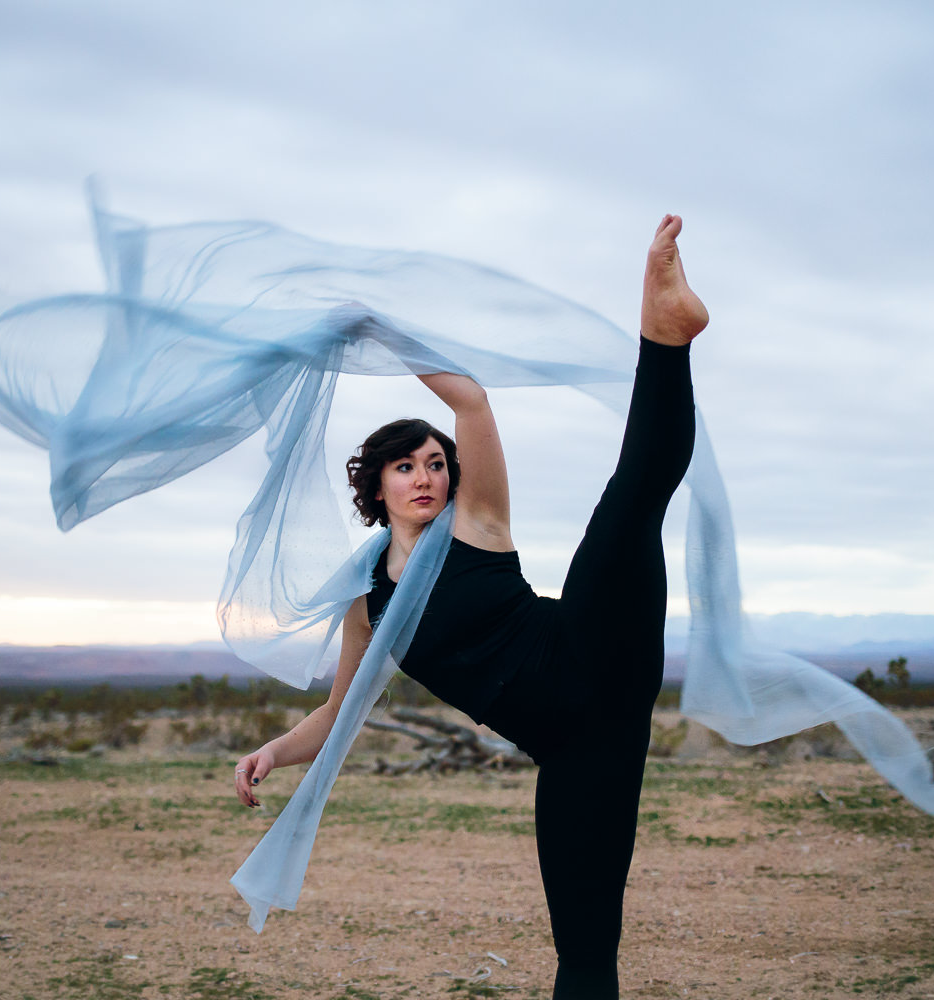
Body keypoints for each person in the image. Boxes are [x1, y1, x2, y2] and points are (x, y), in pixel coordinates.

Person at [232, 214, 709, 999]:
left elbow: (475, 406)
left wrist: (378, 332)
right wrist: (272, 754)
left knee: (633, 496)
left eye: (433, 464)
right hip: (579, 751)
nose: (424, 476)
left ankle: (666, 330)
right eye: (403, 466)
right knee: (585, 957)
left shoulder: (476, 521)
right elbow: (336, 715)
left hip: (594, 643)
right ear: (376, 483)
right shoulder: (369, 600)